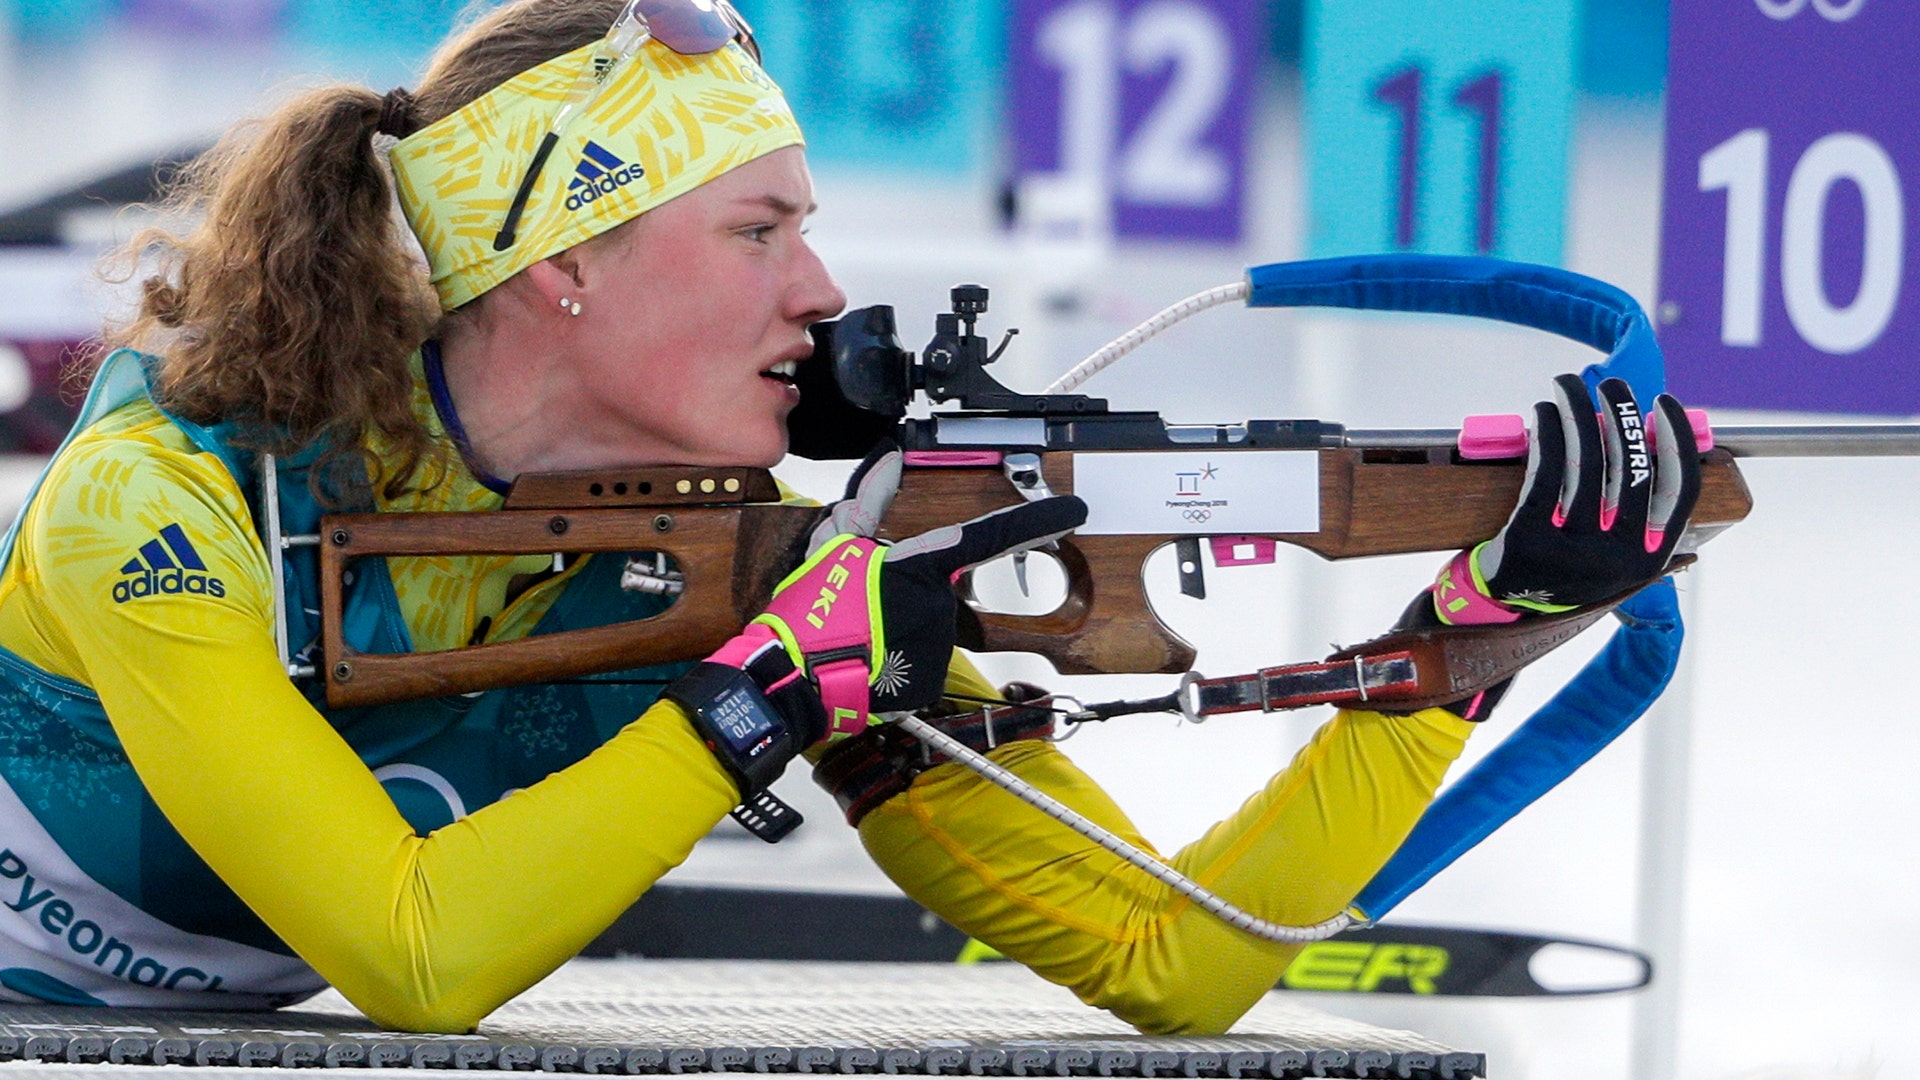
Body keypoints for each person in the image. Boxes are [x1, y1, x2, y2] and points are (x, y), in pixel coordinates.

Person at [0, 0, 1700, 1037]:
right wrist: (765, 700)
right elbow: (416, 957)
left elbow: (1176, 960)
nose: (822, 290)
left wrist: (1468, 639)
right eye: (759, 234)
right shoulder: (161, 500)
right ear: (566, 262)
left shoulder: (767, 557)